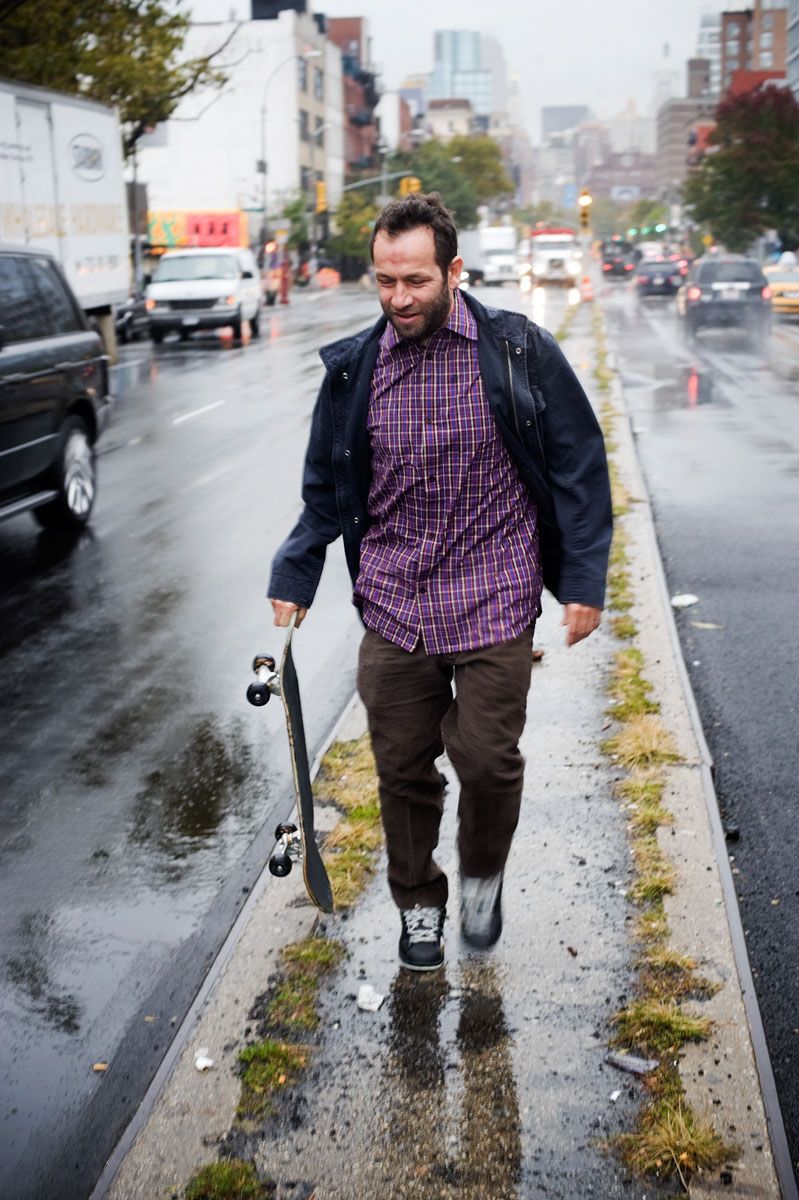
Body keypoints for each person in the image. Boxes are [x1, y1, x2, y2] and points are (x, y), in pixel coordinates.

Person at [268, 193, 612, 971]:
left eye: (415, 280)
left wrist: (583, 580)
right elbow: (325, 484)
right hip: (394, 603)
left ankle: (483, 878)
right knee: (399, 768)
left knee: (487, 760)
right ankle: (418, 902)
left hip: (493, 595)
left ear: (453, 270)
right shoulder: (355, 369)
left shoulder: (518, 350)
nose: (399, 298)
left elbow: (579, 467)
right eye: (384, 281)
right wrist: (296, 567)